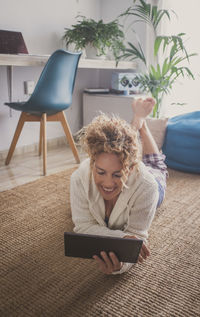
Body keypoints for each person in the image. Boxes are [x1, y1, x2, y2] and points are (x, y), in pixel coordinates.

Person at [70, 97, 168, 275]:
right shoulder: (79, 178)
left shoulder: (147, 187)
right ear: (92, 163)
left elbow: (138, 241)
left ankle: (141, 124)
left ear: (130, 169)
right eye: (100, 172)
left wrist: (122, 264)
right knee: (129, 151)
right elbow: (83, 227)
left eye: (117, 174)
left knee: (157, 165)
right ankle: (138, 122)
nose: (108, 183)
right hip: (130, 163)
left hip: (153, 179)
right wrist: (123, 239)